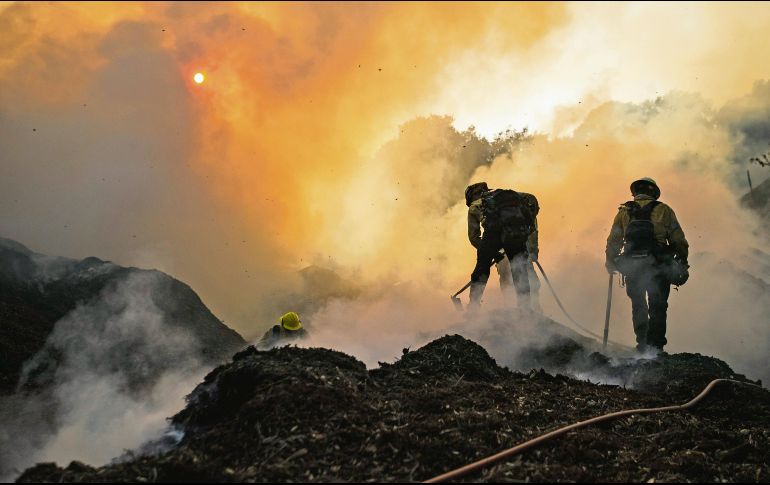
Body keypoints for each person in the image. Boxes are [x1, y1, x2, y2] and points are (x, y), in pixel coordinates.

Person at [605, 177, 689, 354]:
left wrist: (610, 262)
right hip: (658, 266)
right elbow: (679, 241)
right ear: (654, 193)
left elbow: (613, 240)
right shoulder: (664, 210)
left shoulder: (624, 212)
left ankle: (642, 344)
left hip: (632, 266)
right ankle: (655, 348)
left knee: (638, 304)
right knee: (658, 305)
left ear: (635, 192)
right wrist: (682, 262)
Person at [465, 182, 539, 311]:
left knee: (481, 270)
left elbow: (474, 237)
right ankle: (526, 308)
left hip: (492, 235)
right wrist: (532, 250)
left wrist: (492, 253)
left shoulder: (475, 206)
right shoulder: (515, 198)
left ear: (472, 197)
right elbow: (532, 213)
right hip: (516, 235)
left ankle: (473, 308)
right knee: (520, 270)